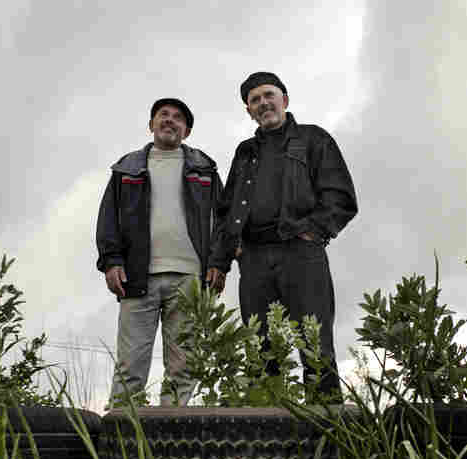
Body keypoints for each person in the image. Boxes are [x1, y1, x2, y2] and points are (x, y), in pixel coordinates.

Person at [208, 72, 358, 402]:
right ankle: (268, 427)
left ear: (284, 100)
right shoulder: (245, 152)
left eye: (268, 95)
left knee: (315, 344)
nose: (263, 103)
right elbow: (227, 210)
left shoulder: (314, 139)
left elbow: (341, 198)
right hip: (254, 260)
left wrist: (311, 233)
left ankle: (325, 422)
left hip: (301, 254)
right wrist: (220, 260)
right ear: (249, 111)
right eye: (255, 100)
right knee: (260, 347)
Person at [96, 97, 225, 407]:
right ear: (151, 125)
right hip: (136, 277)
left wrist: (219, 263)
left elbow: (223, 220)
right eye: (163, 115)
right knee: (130, 366)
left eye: (178, 117)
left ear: (187, 130)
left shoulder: (205, 169)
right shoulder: (126, 169)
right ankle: (124, 432)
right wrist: (111, 261)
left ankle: (171, 432)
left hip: (191, 280)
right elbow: (108, 218)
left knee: (184, 367)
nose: (169, 120)